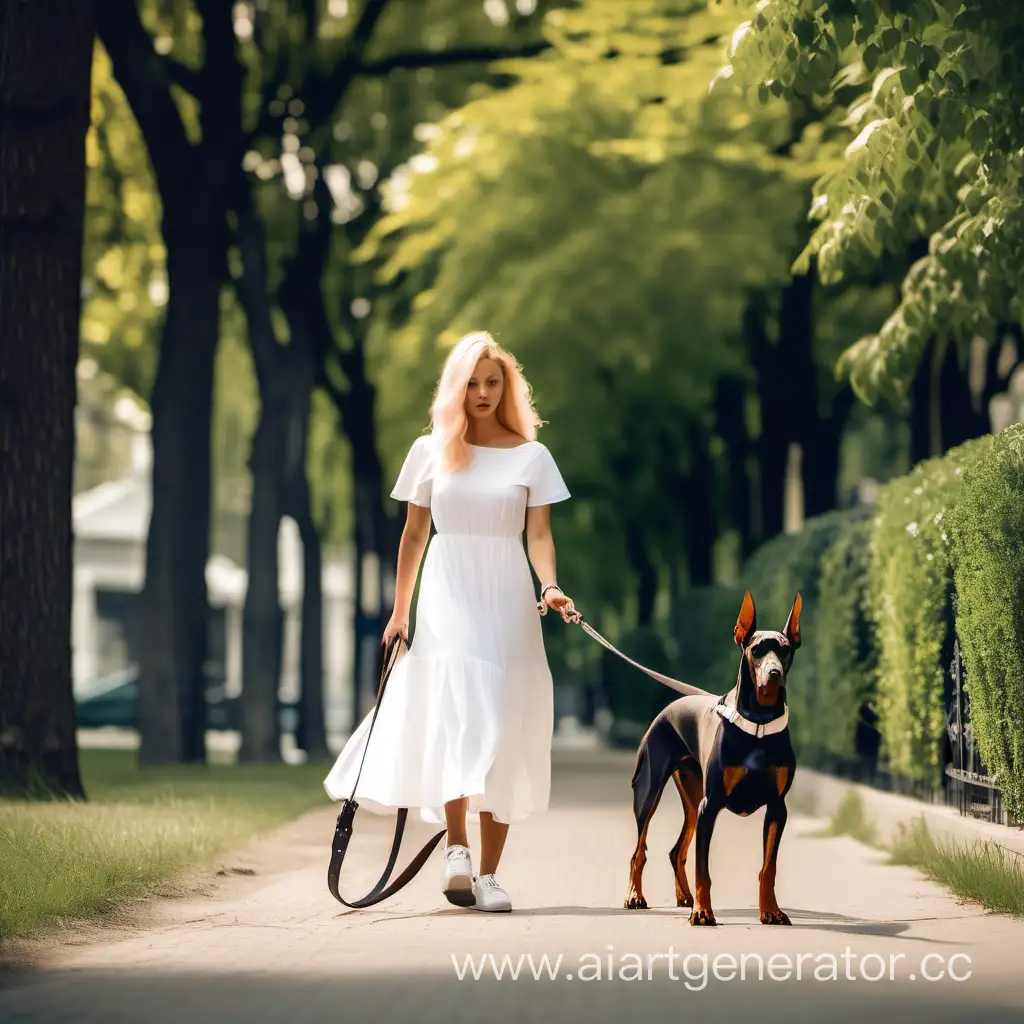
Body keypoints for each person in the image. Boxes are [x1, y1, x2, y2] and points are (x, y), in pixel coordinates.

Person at [323, 331, 578, 913]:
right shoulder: (429, 451)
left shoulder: (531, 456)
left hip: (509, 593)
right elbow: (414, 534)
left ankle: (489, 875)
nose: (483, 392)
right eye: (473, 383)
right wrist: (399, 611)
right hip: (448, 589)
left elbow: (538, 534)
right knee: (466, 705)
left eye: (494, 382)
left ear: (506, 387)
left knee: (506, 726)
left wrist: (551, 586)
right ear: (455, 387)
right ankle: (456, 850)